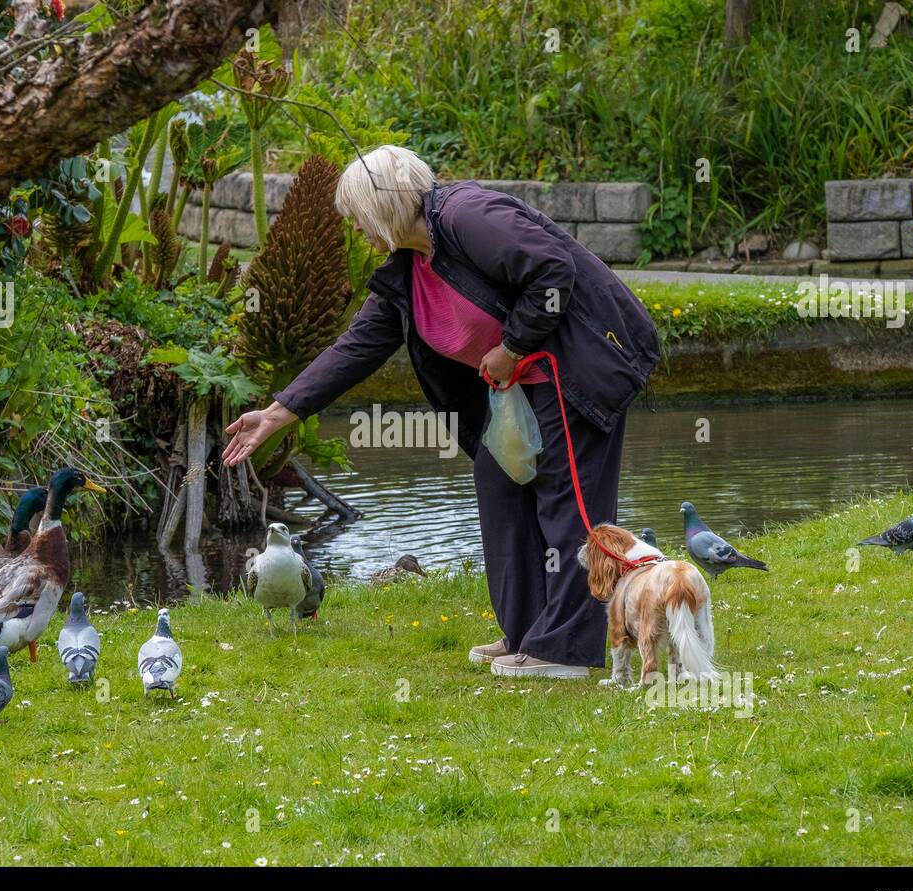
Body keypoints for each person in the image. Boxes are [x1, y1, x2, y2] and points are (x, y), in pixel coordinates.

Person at [222, 146, 659, 678]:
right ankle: (525, 634)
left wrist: (514, 347)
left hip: (572, 377)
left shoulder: (465, 216)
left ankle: (566, 651)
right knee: (501, 491)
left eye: (356, 213)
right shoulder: (408, 270)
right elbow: (355, 348)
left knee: (571, 511)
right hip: (514, 396)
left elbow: (552, 271)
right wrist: (279, 411)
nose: (354, 227)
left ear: (381, 201)